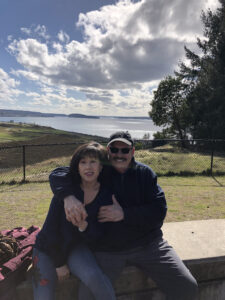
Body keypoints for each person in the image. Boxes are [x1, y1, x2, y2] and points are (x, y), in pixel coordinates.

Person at [49, 131, 198, 300]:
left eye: (125, 150)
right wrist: (68, 197)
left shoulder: (144, 173)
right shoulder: (100, 171)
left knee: (187, 287)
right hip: (108, 250)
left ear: (132, 152)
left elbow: (158, 211)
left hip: (149, 245)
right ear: (108, 151)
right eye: (115, 149)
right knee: (87, 296)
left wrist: (124, 214)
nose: (119, 155)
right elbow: (58, 174)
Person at [32, 142, 116, 300]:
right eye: (83, 162)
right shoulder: (66, 190)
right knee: (43, 296)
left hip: (75, 247)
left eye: (93, 162)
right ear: (77, 166)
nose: (88, 167)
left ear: (101, 166)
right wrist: (59, 263)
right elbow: (50, 231)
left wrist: (84, 226)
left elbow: (98, 234)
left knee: (94, 277)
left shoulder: (105, 195)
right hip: (47, 249)